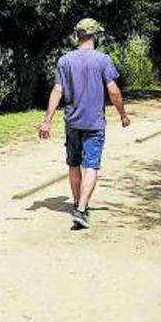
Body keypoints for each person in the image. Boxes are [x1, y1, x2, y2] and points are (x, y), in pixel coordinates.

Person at [37, 18, 130, 229]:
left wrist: (46, 121)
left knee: (73, 164)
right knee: (91, 165)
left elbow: (57, 90)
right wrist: (122, 114)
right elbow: (113, 90)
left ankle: (79, 206)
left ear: (77, 36)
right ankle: (80, 209)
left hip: (72, 122)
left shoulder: (64, 61)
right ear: (95, 35)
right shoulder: (103, 60)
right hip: (94, 123)